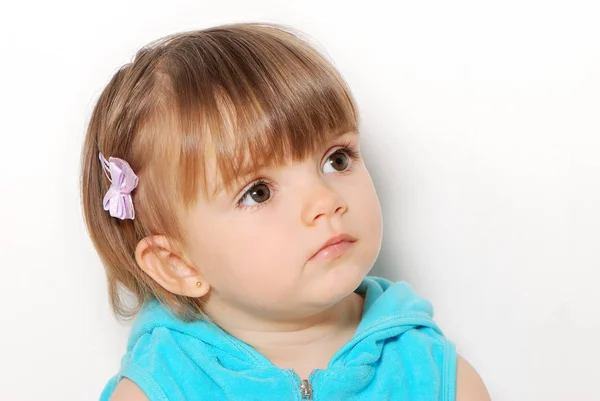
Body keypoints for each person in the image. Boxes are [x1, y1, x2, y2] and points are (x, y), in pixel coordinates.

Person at [81, 22, 490, 401]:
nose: (325, 200)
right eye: (258, 192)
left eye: (337, 159)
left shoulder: (439, 379)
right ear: (177, 264)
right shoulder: (158, 392)